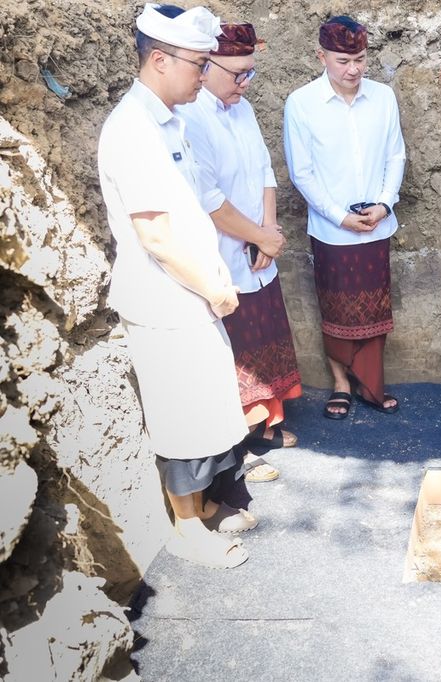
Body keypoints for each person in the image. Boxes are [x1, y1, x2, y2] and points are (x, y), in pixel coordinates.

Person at [97, 3, 256, 569]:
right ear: (160, 60)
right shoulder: (132, 129)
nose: (204, 72)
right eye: (197, 62)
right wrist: (213, 289)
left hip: (190, 292)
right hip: (166, 298)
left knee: (205, 408)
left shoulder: (169, 119)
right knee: (182, 416)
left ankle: (206, 507)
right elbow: (158, 235)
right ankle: (186, 528)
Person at [178, 21, 302, 484]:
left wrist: (268, 230)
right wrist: (257, 235)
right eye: (237, 74)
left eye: (250, 73)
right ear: (205, 68)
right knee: (236, 345)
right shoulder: (192, 117)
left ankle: (266, 424)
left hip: (256, 243)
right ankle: (241, 440)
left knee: (263, 329)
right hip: (224, 249)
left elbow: (264, 168)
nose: (245, 83)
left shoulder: (242, 108)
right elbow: (209, 198)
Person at [283, 15, 406, 419]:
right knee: (336, 309)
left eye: (360, 58)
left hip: (377, 223)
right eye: (342, 60)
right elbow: (302, 172)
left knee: (374, 307)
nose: (353, 69)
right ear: (322, 56)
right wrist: (339, 217)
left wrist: (385, 204)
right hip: (331, 229)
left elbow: (395, 155)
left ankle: (373, 384)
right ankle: (340, 383)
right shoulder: (301, 103)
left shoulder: (383, 97)